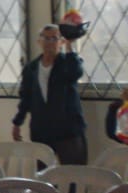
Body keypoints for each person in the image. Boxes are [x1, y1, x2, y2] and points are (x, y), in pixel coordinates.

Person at [13, 24, 87, 164]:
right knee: (42, 172)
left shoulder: (68, 62)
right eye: (46, 38)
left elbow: (76, 72)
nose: (50, 42)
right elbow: (26, 97)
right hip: (41, 130)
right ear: (39, 41)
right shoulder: (31, 68)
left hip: (68, 130)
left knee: (74, 172)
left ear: (61, 42)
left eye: (54, 38)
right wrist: (17, 122)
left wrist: (70, 46)